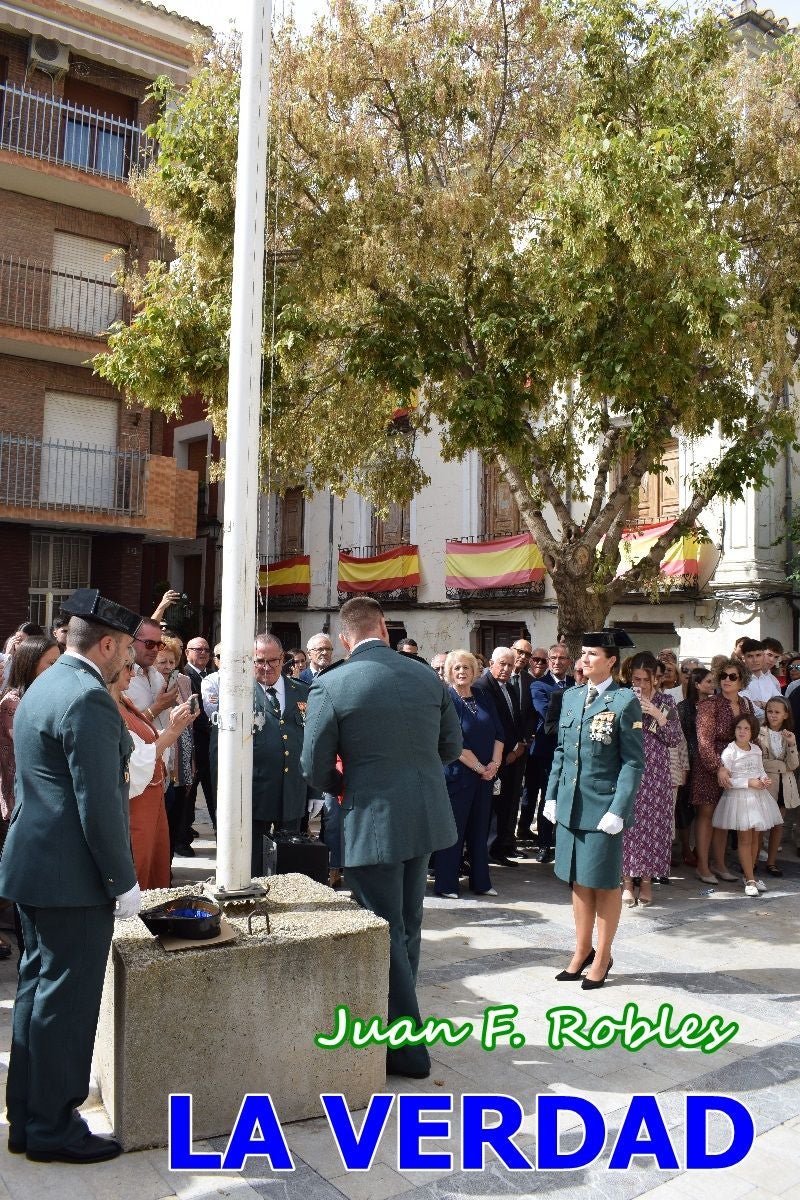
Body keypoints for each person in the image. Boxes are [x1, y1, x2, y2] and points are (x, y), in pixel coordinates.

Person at [0, 589, 142, 1164]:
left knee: (37, 993)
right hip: (72, 877)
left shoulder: (46, 684)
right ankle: (54, 1127)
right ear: (105, 645)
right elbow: (98, 804)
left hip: (36, 866)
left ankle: (28, 1118)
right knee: (66, 1004)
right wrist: (122, 881)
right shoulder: (87, 697)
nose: (129, 658)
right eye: (127, 648)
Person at [301, 596, 462, 1078]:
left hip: (371, 818)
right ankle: (396, 1030)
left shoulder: (332, 684)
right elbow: (451, 746)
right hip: (423, 816)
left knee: (383, 929)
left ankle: (406, 1048)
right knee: (407, 925)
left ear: (344, 639)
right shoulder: (426, 677)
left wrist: (345, 784)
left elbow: (314, 766)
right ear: (385, 629)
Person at [543, 629, 644, 990]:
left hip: (603, 808)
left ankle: (603, 956)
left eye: (592, 654)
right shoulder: (570, 697)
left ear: (611, 661)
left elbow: (633, 762)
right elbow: (561, 751)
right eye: (583, 653)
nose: (583, 659)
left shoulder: (624, 701)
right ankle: (582, 949)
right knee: (578, 879)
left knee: (604, 883)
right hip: (571, 805)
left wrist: (619, 809)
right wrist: (551, 795)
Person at [110, 651, 196, 887]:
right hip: (136, 806)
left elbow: (147, 739)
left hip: (151, 800)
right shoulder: (110, 706)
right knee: (140, 869)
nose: (133, 673)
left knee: (155, 867)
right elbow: (134, 759)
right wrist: (172, 731)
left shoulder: (123, 701)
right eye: (128, 667)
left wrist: (176, 724)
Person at [0, 635, 60, 960]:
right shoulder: (13, 702)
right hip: (21, 804)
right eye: (51, 663)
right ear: (29, 664)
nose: (58, 670)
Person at [434, 650, 504, 898]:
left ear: (474, 672)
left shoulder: (483, 696)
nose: (462, 672)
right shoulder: (447, 699)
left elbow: (499, 732)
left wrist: (494, 764)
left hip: (485, 777)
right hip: (458, 777)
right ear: (449, 672)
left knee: (480, 830)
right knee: (455, 830)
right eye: (457, 668)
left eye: (466, 667)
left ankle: (481, 883)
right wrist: (480, 768)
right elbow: (453, 742)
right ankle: (446, 884)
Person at [620, 652, 682, 907]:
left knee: (653, 827)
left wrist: (657, 714)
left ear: (655, 678)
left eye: (646, 680)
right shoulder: (623, 697)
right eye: (637, 679)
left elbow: (674, 738)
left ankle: (646, 882)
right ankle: (626, 882)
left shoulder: (666, 701)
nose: (642, 685)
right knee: (627, 826)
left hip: (656, 772)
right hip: (627, 769)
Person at [692, 658, 755, 884]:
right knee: (707, 814)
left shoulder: (746, 703)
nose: (726, 680)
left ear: (741, 680)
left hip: (738, 765)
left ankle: (720, 864)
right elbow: (704, 741)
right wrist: (718, 767)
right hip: (710, 764)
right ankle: (702, 866)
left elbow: (752, 734)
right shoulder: (710, 704)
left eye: (732, 676)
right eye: (723, 676)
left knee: (725, 815)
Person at [713, 714, 782, 896]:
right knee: (744, 839)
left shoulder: (756, 749)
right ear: (734, 730)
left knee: (754, 839)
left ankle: (749, 875)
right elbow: (726, 781)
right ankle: (750, 880)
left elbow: (760, 770)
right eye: (739, 728)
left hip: (757, 798)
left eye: (746, 729)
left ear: (753, 732)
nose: (742, 732)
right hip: (739, 799)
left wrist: (764, 780)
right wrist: (749, 782)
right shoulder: (730, 752)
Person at [520, 643, 575, 859]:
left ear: (569, 661)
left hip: (571, 751)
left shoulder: (575, 683)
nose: (557, 662)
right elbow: (545, 713)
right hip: (545, 751)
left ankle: (563, 842)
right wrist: (576, 722)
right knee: (547, 796)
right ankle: (544, 844)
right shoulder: (539, 685)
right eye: (553, 658)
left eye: (562, 658)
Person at [472, 647, 525, 866]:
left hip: (511, 755)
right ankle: (487, 851)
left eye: (510, 665)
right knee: (492, 807)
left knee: (506, 803)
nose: (506, 669)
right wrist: (505, 753)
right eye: (502, 664)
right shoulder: (481, 687)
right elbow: (490, 725)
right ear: (491, 663)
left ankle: (500, 847)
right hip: (493, 757)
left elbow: (513, 720)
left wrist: (518, 746)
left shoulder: (509, 687)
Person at [153, 639, 194, 860]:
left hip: (183, 755)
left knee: (177, 816)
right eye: (163, 662)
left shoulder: (184, 681)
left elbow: (190, 720)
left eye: (172, 661)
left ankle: (167, 867)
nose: (168, 666)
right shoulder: (151, 681)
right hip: (162, 754)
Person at [758, 697, 798, 876]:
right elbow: (759, 761)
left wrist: (792, 744)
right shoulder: (759, 732)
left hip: (784, 785)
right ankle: (753, 859)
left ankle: (772, 862)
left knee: (777, 825)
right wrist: (780, 765)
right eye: (769, 711)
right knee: (760, 824)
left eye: (777, 712)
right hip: (766, 783)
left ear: (785, 715)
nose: (773, 715)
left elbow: (793, 765)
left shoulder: (789, 735)